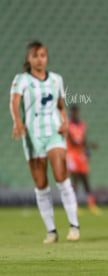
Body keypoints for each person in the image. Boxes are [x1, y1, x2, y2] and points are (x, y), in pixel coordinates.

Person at [9, 41, 80, 243]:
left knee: (61, 176)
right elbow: (14, 103)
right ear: (29, 59)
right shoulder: (21, 80)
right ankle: (51, 231)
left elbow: (60, 105)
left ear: (47, 57)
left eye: (43, 55)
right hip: (32, 135)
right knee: (41, 184)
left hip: (54, 132)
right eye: (36, 56)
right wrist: (18, 123)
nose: (40, 59)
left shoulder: (56, 79)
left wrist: (65, 123)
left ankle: (74, 226)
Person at [67, 105, 101, 215]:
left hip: (81, 155)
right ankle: (74, 206)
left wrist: (88, 152)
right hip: (72, 155)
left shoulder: (82, 125)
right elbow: (73, 141)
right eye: (73, 111)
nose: (74, 113)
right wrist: (89, 145)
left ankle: (91, 204)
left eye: (76, 111)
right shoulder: (68, 125)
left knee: (86, 180)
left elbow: (83, 140)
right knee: (75, 180)